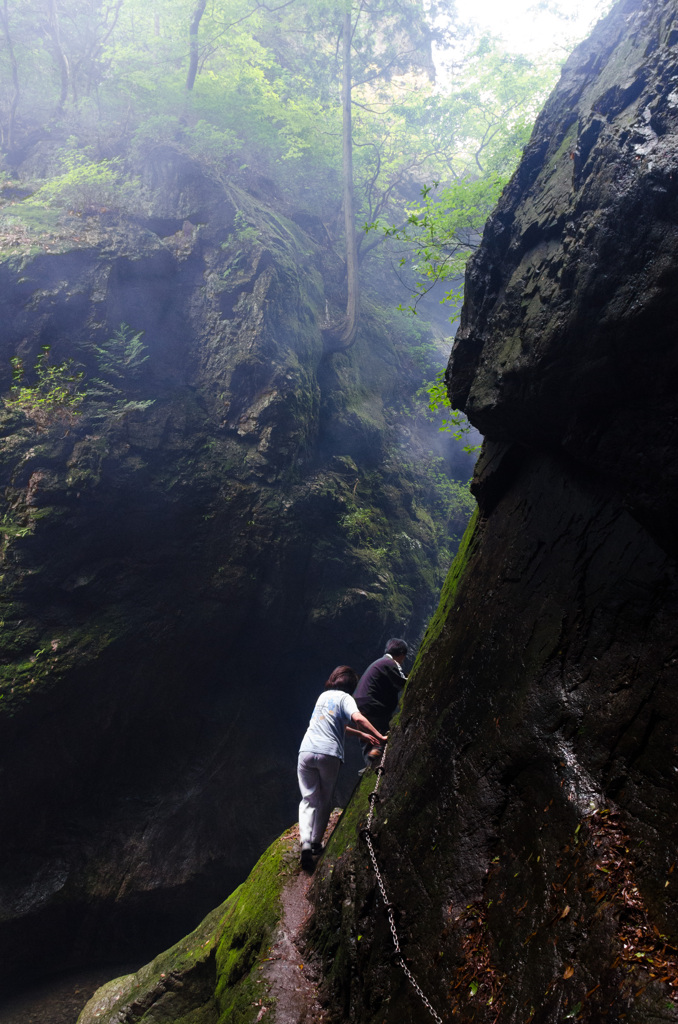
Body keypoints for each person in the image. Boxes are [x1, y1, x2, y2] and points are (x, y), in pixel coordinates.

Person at [298, 665, 387, 870]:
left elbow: (338, 725)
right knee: (325, 800)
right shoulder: (346, 699)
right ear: (351, 686)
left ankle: (304, 843)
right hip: (329, 753)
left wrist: (361, 735)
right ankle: (316, 844)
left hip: (307, 750)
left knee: (308, 798)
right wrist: (379, 736)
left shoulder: (323, 696)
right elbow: (357, 718)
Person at [353, 638, 408, 765]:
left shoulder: (380, 663)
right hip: (373, 705)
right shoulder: (389, 663)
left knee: (368, 738)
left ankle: (370, 763)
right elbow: (402, 681)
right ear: (401, 654)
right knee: (382, 729)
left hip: (359, 706)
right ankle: (378, 756)